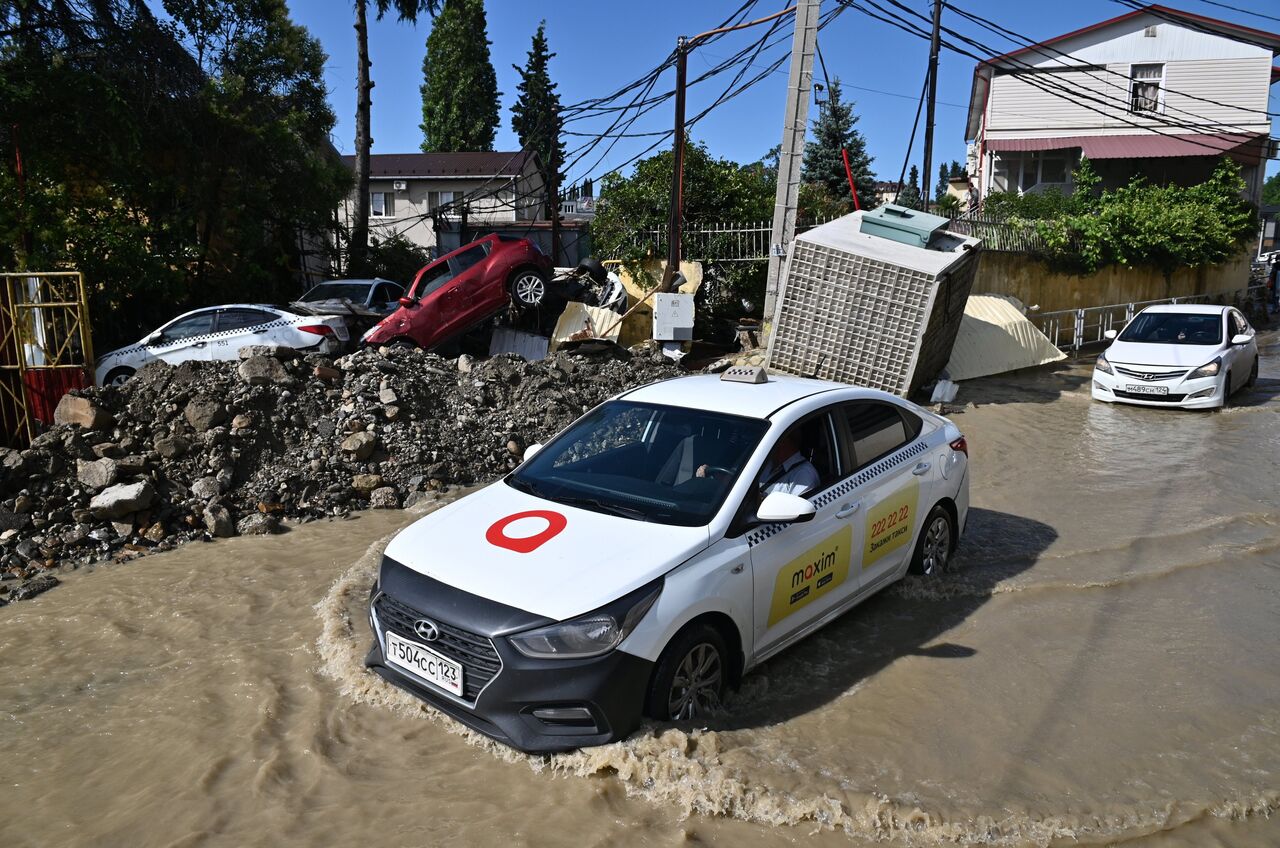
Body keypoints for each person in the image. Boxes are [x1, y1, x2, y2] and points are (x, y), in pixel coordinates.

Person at [755, 430, 820, 497]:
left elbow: (796, 507)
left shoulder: (804, 474)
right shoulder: (764, 464)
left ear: (783, 442)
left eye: (770, 440)